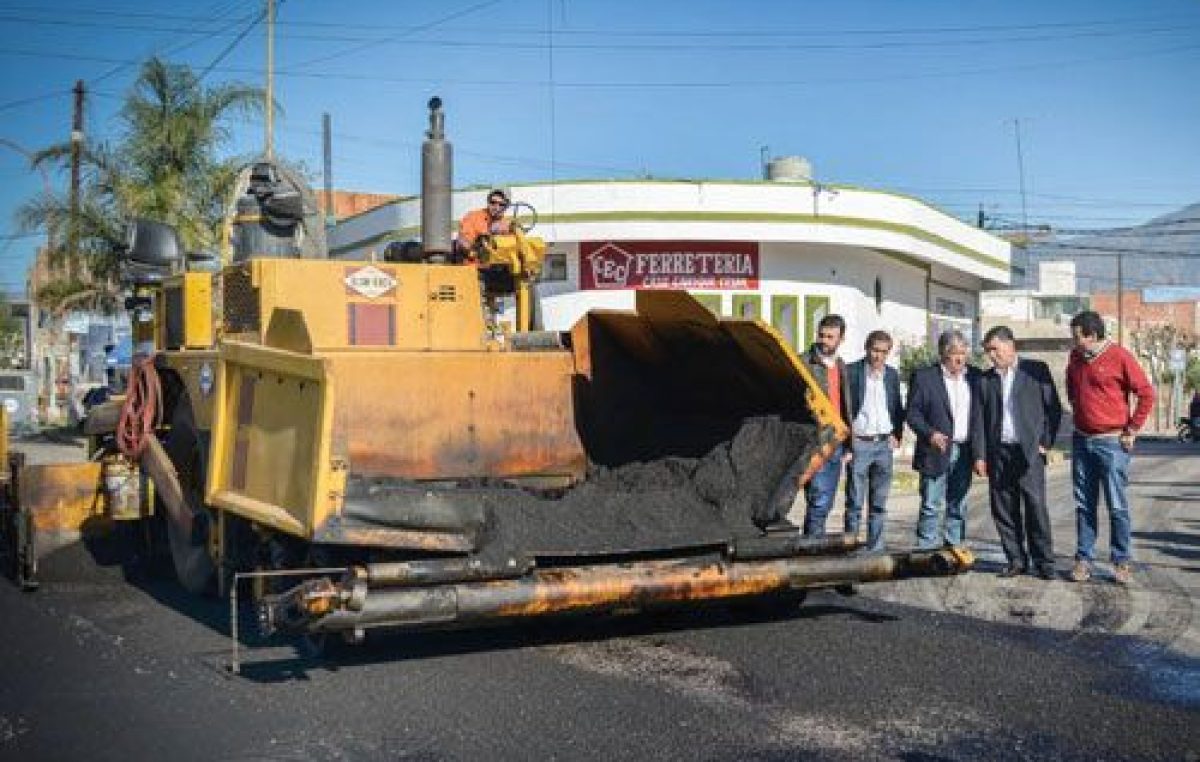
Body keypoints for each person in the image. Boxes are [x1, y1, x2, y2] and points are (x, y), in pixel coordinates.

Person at [1066, 310, 1154, 584]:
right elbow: (1072, 390)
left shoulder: (1119, 356)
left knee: (1116, 505)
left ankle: (1121, 561)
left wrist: (1131, 429)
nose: (1074, 341)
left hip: (1112, 443)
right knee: (1084, 505)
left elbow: (1146, 393)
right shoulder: (1075, 358)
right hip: (1081, 440)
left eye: (1077, 336)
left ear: (1092, 335)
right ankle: (1084, 559)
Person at [973, 326, 1063, 580]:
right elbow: (978, 420)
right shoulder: (985, 379)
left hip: (1028, 453)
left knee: (1035, 507)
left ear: (1010, 346)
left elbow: (1053, 409)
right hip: (998, 453)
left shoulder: (1035, 370)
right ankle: (1016, 560)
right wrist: (980, 455)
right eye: (988, 351)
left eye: (995, 349)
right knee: (1003, 509)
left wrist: (1045, 442)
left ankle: (1044, 562)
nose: (992, 355)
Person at [905, 330, 984, 550]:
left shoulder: (975, 377)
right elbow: (913, 413)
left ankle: (954, 546)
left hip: (965, 449)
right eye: (954, 354)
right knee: (931, 503)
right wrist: (930, 433)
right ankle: (926, 549)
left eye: (963, 352)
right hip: (935, 450)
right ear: (942, 354)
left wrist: (980, 453)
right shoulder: (925, 377)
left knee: (958, 503)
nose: (960, 358)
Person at [844, 329, 905, 552]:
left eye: (883, 352)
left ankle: (875, 549)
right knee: (855, 503)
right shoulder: (851, 372)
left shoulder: (891, 375)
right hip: (859, 443)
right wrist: (846, 444)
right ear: (866, 349)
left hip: (883, 446)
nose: (878, 356)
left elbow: (897, 406)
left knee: (879, 503)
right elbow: (843, 409)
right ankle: (851, 548)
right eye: (875, 350)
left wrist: (897, 434)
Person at [799, 314, 853, 537]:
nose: (824, 340)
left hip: (837, 441)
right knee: (819, 500)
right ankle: (811, 548)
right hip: (814, 441)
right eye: (821, 335)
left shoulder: (841, 365)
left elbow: (845, 406)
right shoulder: (803, 363)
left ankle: (811, 544)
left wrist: (849, 444)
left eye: (831, 337)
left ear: (841, 338)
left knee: (824, 501)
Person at [457, 189, 512, 255]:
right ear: (488, 202)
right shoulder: (473, 217)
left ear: (507, 206)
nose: (496, 207)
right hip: (473, 263)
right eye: (493, 202)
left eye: (501, 204)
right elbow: (463, 242)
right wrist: (487, 235)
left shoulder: (507, 224)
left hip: (500, 262)